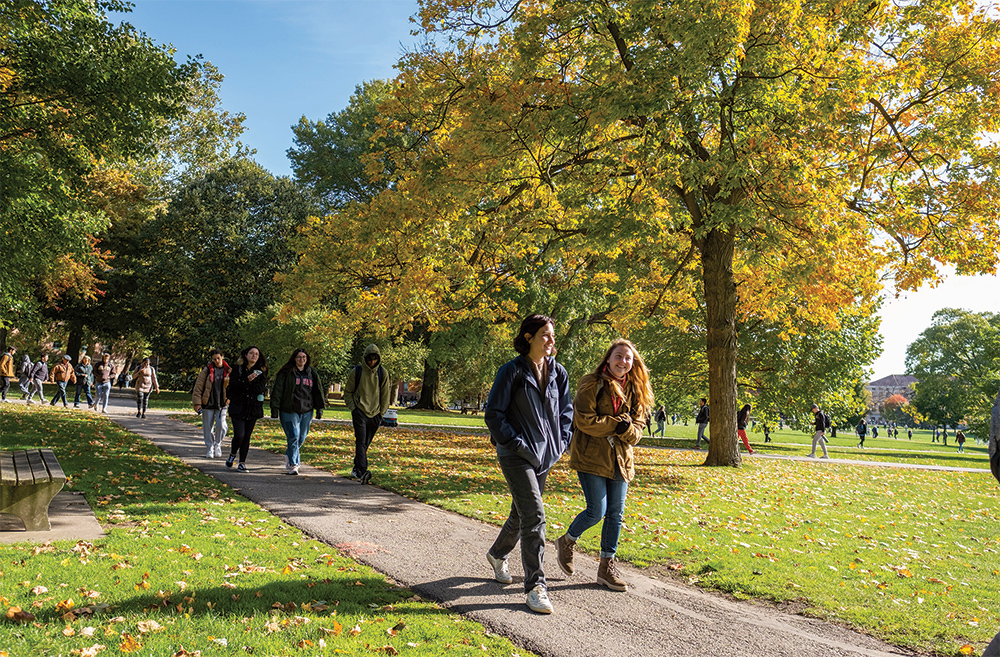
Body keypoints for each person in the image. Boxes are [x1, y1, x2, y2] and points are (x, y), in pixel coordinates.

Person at [483, 314, 573, 615]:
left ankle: (497, 554)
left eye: (552, 335)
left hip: (545, 456)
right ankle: (536, 586)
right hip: (516, 455)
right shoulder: (512, 371)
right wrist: (516, 444)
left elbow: (566, 413)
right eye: (545, 335)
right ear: (528, 338)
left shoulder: (558, 373)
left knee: (521, 516)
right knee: (535, 515)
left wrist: (560, 443)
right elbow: (494, 414)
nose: (551, 340)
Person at [555, 338, 653, 593]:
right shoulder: (592, 383)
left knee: (615, 515)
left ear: (633, 363)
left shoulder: (637, 389)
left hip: (621, 460)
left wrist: (627, 429)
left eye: (628, 358)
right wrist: (615, 424)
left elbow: (637, 431)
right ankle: (566, 541)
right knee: (596, 511)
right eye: (618, 356)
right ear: (608, 358)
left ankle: (606, 568)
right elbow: (584, 420)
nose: (623, 361)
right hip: (591, 457)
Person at [270, 348, 325, 475]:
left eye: (304, 357)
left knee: (301, 438)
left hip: (307, 409)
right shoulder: (286, 372)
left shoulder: (312, 373)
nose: (302, 359)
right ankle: (294, 465)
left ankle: (289, 454)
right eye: (299, 357)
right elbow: (278, 390)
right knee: (293, 436)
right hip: (289, 409)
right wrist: (275, 408)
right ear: (294, 358)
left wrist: (319, 408)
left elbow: (318, 391)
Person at [343, 344, 391, 484]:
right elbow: (348, 392)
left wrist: (381, 413)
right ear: (365, 359)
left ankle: (356, 468)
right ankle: (363, 471)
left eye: (374, 359)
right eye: (369, 360)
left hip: (375, 413)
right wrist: (354, 409)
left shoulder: (383, 373)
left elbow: (385, 395)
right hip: (360, 411)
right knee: (361, 441)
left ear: (378, 359)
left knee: (365, 443)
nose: (372, 362)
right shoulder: (356, 372)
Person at [226, 346, 268, 471]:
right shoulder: (237, 369)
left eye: (256, 354)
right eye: (251, 353)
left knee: (247, 436)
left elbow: (260, 388)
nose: (254, 356)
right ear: (246, 355)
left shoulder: (260, 372)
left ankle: (242, 462)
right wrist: (246, 381)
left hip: (252, 408)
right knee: (239, 434)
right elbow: (233, 386)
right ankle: (233, 454)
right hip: (238, 407)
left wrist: (246, 385)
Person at [193, 349, 231, 458]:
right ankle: (210, 448)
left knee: (221, 425)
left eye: (218, 358)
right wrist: (197, 403)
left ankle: (217, 444)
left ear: (222, 357)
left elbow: (233, 387)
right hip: (208, 402)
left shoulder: (228, 370)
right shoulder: (207, 370)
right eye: (214, 359)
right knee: (207, 427)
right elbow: (198, 387)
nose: (216, 360)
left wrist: (230, 398)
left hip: (222, 403)